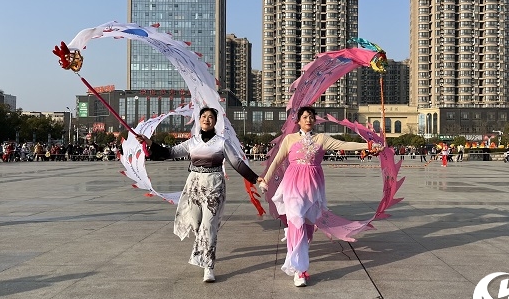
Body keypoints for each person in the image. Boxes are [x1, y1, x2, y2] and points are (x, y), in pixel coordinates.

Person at [136, 107, 264, 283]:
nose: (206, 119)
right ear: (199, 120)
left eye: (210, 117)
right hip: (194, 185)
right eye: (203, 116)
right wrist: (149, 143)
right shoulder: (192, 142)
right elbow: (169, 153)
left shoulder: (222, 142)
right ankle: (204, 249)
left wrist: (256, 178)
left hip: (214, 185)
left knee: (208, 225)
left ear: (215, 121)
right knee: (196, 224)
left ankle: (208, 265)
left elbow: (237, 163)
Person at [262, 106, 382, 287]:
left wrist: (369, 145)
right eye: (304, 117)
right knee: (297, 221)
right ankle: (300, 270)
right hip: (292, 185)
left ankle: (297, 255)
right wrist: (265, 179)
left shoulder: (321, 139)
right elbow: (277, 160)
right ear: (298, 121)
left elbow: (343, 145)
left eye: (311, 117)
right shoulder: (289, 139)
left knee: (308, 228)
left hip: (313, 187)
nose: (308, 120)